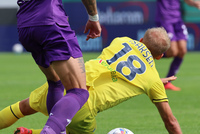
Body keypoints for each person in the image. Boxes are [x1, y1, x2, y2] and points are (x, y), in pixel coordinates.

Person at [0, 27, 182, 134]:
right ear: (160, 57)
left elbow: (119, 66)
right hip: (82, 105)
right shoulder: (152, 80)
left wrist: (153, 79)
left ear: (141, 39)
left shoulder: (122, 40)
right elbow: (170, 121)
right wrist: (155, 81)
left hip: (68, 82)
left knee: (23, 107)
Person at [14, 0, 101, 134]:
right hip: (51, 23)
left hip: (25, 26)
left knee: (55, 82)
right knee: (79, 91)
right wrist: (93, 17)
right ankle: (49, 131)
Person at [144, 0, 200, 91]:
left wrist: (194, 3)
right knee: (172, 52)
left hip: (177, 19)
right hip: (164, 18)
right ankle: (145, 56)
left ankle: (167, 83)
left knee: (182, 50)